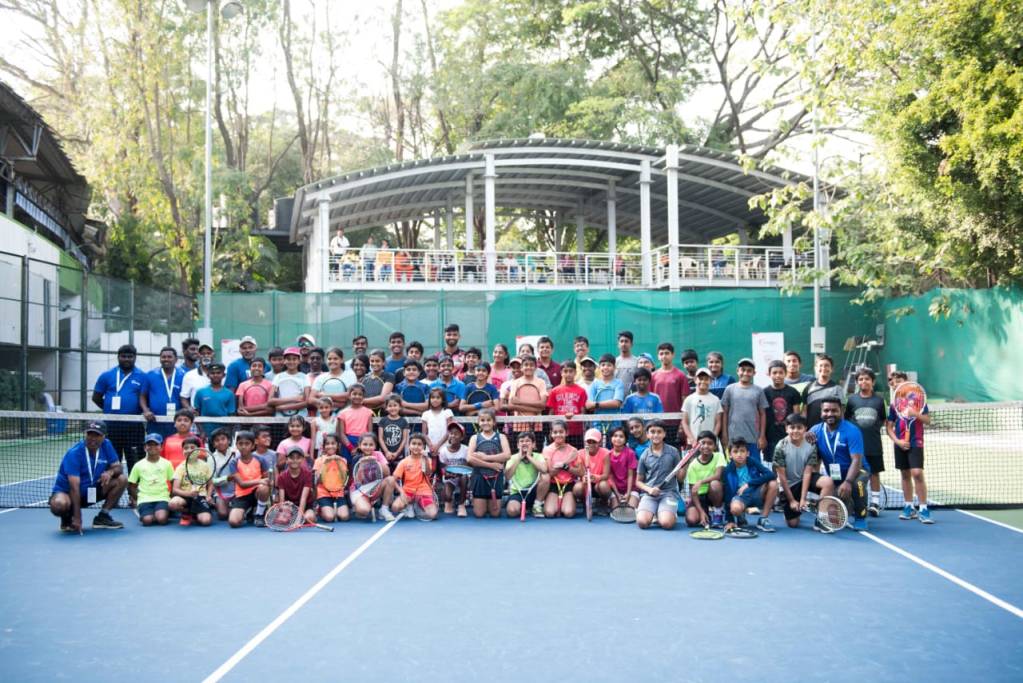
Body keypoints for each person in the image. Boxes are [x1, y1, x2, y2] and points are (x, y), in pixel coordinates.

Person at [49, 420, 127, 532]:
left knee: (122, 479)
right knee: (59, 504)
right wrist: (78, 517)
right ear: (85, 434)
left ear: (104, 436)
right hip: (69, 493)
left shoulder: (106, 445)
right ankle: (66, 518)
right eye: (90, 434)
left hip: (91, 492)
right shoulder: (74, 453)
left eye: (97, 435)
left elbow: (118, 468)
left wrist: (110, 472)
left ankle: (103, 517)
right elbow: (74, 488)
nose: (93, 438)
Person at [810, 397, 870, 530]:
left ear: (841, 411)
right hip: (835, 476)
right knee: (836, 514)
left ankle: (861, 517)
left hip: (859, 471)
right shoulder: (815, 431)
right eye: (826, 410)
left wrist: (848, 481)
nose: (830, 414)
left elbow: (856, 460)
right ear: (821, 412)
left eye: (834, 410)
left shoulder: (852, 431)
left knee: (857, 484)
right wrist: (804, 438)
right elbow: (811, 456)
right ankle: (849, 506)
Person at [886, 371, 933, 523]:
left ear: (906, 381)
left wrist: (915, 414)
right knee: (905, 474)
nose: (895, 384)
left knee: (917, 473)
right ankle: (908, 507)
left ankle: (924, 508)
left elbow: (927, 420)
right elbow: (889, 427)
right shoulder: (894, 404)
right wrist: (897, 441)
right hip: (900, 443)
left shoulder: (918, 400)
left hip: (916, 442)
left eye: (898, 380)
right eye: (892, 382)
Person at [92, 343, 147, 472]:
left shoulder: (143, 376)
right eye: (123, 356)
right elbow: (96, 397)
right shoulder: (107, 375)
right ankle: (112, 490)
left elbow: (145, 399)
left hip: (134, 427)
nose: (127, 359)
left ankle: (135, 492)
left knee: (135, 462)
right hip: (111, 427)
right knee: (111, 463)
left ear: (135, 357)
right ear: (118, 357)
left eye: (130, 356)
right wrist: (109, 410)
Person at [773, 414, 833, 530]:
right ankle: (788, 512)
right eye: (792, 427)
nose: (795, 431)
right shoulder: (780, 447)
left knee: (828, 482)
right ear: (786, 429)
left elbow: (807, 473)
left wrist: (803, 499)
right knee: (793, 524)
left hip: (805, 479)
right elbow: (782, 478)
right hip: (789, 485)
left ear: (805, 429)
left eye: (799, 428)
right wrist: (791, 501)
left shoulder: (811, 445)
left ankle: (821, 518)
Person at [845, 368, 887, 516]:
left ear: (873, 382)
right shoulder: (851, 400)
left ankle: (875, 503)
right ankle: (853, 502)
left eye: (867, 379)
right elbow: (847, 420)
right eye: (861, 379)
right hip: (855, 447)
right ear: (857, 382)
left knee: (874, 473)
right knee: (856, 474)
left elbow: (882, 419)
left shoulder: (880, 400)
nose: (864, 381)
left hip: (874, 444)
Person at [634, 420, 683, 530]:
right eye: (652, 432)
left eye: (659, 432)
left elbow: (680, 478)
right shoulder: (644, 456)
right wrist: (649, 490)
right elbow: (638, 482)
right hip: (649, 495)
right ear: (647, 434)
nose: (656, 435)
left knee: (666, 524)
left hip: (668, 494)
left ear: (664, 434)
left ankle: (668, 513)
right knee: (642, 523)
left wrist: (685, 466)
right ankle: (654, 511)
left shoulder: (673, 452)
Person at [722, 438, 778, 533]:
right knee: (735, 509)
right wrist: (730, 521)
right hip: (740, 497)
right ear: (730, 455)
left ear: (748, 453)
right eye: (735, 452)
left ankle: (763, 519)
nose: (739, 454)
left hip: (756, 492)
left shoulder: (752, 461)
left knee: (773, 484)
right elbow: (727, 496)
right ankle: (740, 515)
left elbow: (771, 475)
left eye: (742, 451)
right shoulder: (727, 471)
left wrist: (749, 484)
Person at [721, 358, 769, 464]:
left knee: (754, 468)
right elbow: (724, 413)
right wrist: (724, 434)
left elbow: (762, 414)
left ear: (754, 373)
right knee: (734, 467)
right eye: (743, 370)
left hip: (752, 438)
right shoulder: (729, 389)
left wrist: (762, 436)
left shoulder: (758, 391)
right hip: (733, 438)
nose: (745, 373)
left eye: (749, 370)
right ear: (737, 371)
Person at [466, 409, 511, 518]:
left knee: (495, 514)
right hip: (479, 477)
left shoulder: (501, 437)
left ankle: (496, 500)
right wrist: (491, 465)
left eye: (488, 420)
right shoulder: (474, 438)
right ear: (478, 422)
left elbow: (507, 455)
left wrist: (486, 457)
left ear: (494, 422)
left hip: (496, 478)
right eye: (482, 420)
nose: (485, 423)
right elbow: (469, 459)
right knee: (479, 514)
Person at [350, 433, 399, 521]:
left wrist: (375, 462)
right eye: (365, 444)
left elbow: (387, 473)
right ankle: (363, 504)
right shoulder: (356, 458)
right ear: (360, 445)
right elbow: (358, 481)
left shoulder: (378, 454)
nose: (368, 447)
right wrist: (363, 464)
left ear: (375, 446)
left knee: (391, 479)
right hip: (360, 490)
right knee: (364, 511)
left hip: (375, 488)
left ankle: (384, 509)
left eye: (371, 444)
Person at [128, 433, 174, 526]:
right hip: (144, 499)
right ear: (145, 447)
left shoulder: (167, 464)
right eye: (149, 445)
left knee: (161, 519)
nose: (152, 447)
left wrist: (171, 497)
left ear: (161, 447)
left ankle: (163, 513)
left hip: (162, 498)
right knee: (147, 521)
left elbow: (173, 482)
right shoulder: (138, 465)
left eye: (156, 444)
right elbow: (131, 485)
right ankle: (146, 514)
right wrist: (137, 499)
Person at [228, 431, 272, 528]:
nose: (243, 446)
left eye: (247, 444)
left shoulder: (261, 460)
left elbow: (267, 480)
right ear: (237, 445)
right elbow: (241, 484)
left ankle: (259, 515)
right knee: (233, 522)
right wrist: (259, 481)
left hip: (257, 493)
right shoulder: (233, 462)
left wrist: (266, 482)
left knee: (264, 488)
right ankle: (248, 511)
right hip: (242, 496)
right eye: (240, 444)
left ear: (253, 446)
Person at [762, 360, 802, 463]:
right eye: (774, 373)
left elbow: (797, 417)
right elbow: (761, 415)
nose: (778, 375)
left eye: (781, 372)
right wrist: (761, 436)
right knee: (772, 463)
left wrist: (796, 435)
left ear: (785, 373)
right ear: (769, 374)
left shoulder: (793, 392)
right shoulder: (764, 393)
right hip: (770, 437)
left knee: (790, 462)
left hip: (788, 436)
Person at [684, 431, 726, 528]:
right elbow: (693, 492)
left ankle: (718, 513)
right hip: (699, 497)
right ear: (698, 445)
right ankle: (706, 515)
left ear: (715, 446)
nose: (706, 446)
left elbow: (718, 475)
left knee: (715, 484)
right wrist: (701, 512)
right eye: (703, 443)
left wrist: (701, 482)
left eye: (710, 443)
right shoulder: (693, 465)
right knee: (692, 520)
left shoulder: (719, 456)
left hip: (715, 494)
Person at [391, 434, 439, 520]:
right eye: (413, 443)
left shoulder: (427, 460)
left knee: (432, 515)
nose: (416, 446)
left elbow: (428, 473)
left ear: (423, 447)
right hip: (408, 491)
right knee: (395, 508)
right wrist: (401, 492)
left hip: (423, 491)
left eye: (419, 444)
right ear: (409, 446)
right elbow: (393, 480)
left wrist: (425, 459)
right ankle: (410, 504)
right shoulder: (404, 462)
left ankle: (417, 505)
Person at [169, 437, 213, 527]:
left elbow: (211, 484)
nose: (189, 450)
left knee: (206, 521)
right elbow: (175, 490)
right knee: (173, 503)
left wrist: (208, 496)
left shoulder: (205, 466)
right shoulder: (180, 467)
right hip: (185, 497)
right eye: (186, 448)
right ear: (182, 451)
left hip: (200, 497)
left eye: (192, 447)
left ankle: (194, 514)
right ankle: (186, 513)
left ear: (199, 450)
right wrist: (189, 494)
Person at [505, 432, 549, 519]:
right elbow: (507, 476)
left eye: (528, 441)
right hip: (518, 492)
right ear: (518, 445)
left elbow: (544, 470)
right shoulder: (512, 458)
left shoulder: (539, 456)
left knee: (546, 476)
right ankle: (525, 507)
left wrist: (529, 457)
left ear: (533, 444)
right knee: (512, 511)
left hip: (535, 492)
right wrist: (519, 458)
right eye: (521, 441)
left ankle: (537, 505)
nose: (524, 443)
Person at [546, 359, 588, 447]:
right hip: (559, 432)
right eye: (565, 371)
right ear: (561, 373)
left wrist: (576, 416)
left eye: (571, 371)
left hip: (576, 432)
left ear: (575, 373)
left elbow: (583, 411)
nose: (568, 374)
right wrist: (551, 429)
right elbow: (551, 412)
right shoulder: (554, 391)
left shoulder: (581, 391)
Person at [504, 355, 548, 441]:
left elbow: (542, 405)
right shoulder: (515, 383)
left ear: (535, 367)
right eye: (526, 365)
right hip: (518, 425)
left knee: (536, 453)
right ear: (521, 367)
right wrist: (535, 409)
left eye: (531, 365)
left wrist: (520, 402)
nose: (528, 367)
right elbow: (510, 405)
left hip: (537, 425)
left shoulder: (541, 382)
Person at [144, 346, 185, 437]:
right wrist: (146, 411)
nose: (166, 359)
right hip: (155, 422)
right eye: (163, 357)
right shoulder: (151, 375)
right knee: (156, 449)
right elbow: (142, 395)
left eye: (169, 357)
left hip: (177, 423)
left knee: (175, 449)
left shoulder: (183, 375)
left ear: (176, 359)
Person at [542, 420, 578, 518]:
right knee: (549, 513)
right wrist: (566, 462)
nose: (558, 435)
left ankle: (569, 502)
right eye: (555, 432)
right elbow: (551, 473)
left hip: (569, 485)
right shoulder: (547, 450)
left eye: (561, 432)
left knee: (568, 513)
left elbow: (580, 472)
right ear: (551, 434)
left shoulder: (573, 450)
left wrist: (564, 466)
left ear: (567, 433)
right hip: (553, 485)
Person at [191, 363, 236, 439]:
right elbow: (196, 414)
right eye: (212, 373)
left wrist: (228, 433)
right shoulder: (200, 392)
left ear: (223, 375)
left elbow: (231, 415)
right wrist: (202, 432)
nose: (215, 375)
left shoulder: (229, 393)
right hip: (206, 431)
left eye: (218, 373)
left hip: (223, 431)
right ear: (208, 375)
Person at [277, 445, 317, 526]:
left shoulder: (307, 474)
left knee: (310, 518)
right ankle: (292, 517)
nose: (294, 460)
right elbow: (282, 500)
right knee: (281, 520)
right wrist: (284, 511)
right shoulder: (281, 476)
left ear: (302, 459)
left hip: (306, 506)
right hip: (290, 506)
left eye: (298, 457)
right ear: (287, 460)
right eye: (291, 457)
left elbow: (303, 498)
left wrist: (299, 517)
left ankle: (301, 517)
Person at [681, 368, 723, 446]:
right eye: (700, 379)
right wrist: (692, 440)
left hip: (710, 444)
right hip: (693, 443)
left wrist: (712, 439)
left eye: (706, 379)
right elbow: (684, 422)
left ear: (711, 381)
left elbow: (718, 422)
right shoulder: (689, 399)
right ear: (695, 380)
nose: (703, 381)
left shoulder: (715, 400)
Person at [313, 434, 350, 522]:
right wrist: (326, 463)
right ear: (323, 447)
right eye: (327, 444)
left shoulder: (343, 460)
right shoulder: (319, 461)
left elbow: (344, 480)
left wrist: (338, 463)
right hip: (323, 493)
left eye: (333, 443)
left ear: (338, 446)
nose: (330, 446)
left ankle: (334, 509)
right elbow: (317, 481)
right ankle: (320, 508)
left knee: (344, 517)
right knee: (329, 518)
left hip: (338, 493)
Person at [802, 354, 844, 428]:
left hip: (832, 429)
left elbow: (841, 412)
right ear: (815, 368)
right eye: (820, 365)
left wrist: (841, 429)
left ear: (832, 369)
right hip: (811, 430)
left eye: (827, 365)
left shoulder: (837, 389)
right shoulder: (808, 388)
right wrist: (803, 427)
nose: (823, 368)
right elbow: (804, 412)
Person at [574, 427, 612, 510]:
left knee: (603, 486)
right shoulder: (580, 453)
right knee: (577, 488)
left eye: (594, 442)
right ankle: (584, 502)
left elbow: (606, 475)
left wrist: (596, 477)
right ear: (585, 442)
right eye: (589, 441)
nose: (591, 444)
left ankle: (604, 502)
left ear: (600, 442)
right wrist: (584, 477)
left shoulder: (605, 453)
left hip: (599, 483)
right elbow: (581, 472)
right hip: (586, 483)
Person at [587, 353, 625, 433]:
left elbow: (616, 403)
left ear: (614, 367)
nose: (605, 367)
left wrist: (596, 404)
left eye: (609, 365)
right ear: (599, 367)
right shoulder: (595, 383)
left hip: (615, 425)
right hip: (597, 424)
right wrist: (594, 405)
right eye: (603, 365)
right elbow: (589, 405)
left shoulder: (619, 383)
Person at [651, 342, 690, 418]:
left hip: (676, 419)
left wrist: (683, 420)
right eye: (661, 354)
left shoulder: (681, 375)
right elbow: (650, 398)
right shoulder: (653, 376)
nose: (664, 356)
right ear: (658, 356)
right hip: (657, 420)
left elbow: (685, 400)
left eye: (667, 353)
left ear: (673, 355)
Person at [439, 422, 470, 516]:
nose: (453, 436)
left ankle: (461, 505)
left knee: (464, 477)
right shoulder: (443, 451)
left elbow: (467, 467)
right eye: (451, 433)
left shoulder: (466, 450)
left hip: (463, 478)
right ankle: (449, 500)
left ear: (461, 437)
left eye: (456, 434)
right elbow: (442, 468)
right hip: (450, 478)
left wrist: (459, 473)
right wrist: (447, 474)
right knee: (447, 497)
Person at [269, 347, 309, 417]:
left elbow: (307, 402)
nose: (291, 362)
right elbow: (270, 401)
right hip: (280, 418)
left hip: (300, 417)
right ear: (284, 361)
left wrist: (282, 407)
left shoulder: (305, 377)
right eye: (288, 359)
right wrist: (294, 399)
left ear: (299, 361)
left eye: (294, 359)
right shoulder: (278, 377)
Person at [606, 426, 638, 509]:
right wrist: (617, 494)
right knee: (615, 509)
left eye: (621, 436)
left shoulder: (630, 453)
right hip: (616, 490)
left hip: (631, 489)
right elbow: (610, 476)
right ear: (611, 438)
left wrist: (628, 493)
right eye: (615, 436)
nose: (618, 438)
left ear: (625, 439)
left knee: (631, 509)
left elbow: (631, 475)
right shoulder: (608, 454)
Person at [337, 385, 374, 457]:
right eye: (354, 394)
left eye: (360, 394)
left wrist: (361, 447)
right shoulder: (343, 413)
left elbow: (370, 433)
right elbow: (341, 434)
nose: (357, 396)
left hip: (364, 443)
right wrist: (351, 448)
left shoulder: (368, 412)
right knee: (347, 466)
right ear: (349, 396)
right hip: (347, 442)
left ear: (363, 397)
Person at [378, 394, 410, 471]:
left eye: (395, 405)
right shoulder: (383, 421)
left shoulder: (403, 421)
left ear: (400, 407)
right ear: (386, 408)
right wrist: (386, 452)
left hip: (398, 454)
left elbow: (404, 439)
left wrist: (397, 453)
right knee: (386, 472)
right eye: (390, 406)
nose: (393, 408)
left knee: (398, 473)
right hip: (385, 454)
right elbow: (380, 438)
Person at [421, 388, 455, 461]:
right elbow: (424, 433)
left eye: (438, 397)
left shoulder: (447, 412)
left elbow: (449, 431)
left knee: (443, 469)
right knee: (429, 468)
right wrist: (430, 445)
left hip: (444, 446)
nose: (435, 400)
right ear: (429, 399)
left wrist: (438, 445)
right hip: (430, 447)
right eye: (432, 397)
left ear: (442, 399)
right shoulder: (426, 414)